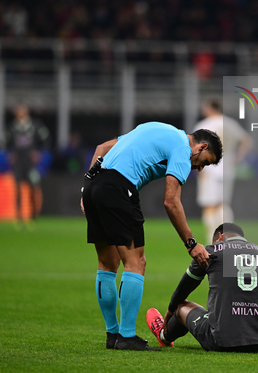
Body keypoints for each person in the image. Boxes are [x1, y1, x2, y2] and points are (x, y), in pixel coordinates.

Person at [81, 122, 223, 351]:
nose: (199, 168)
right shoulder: (182, 148)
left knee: (107, 264)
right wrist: (191, 244)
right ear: (201, 147)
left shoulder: (156, 129)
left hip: (95, 186)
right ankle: (126, 336)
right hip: (119, 188)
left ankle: (112, 335)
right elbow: (171, 201)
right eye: (204, 162)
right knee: (136, 262)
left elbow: (101, 148)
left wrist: (86, 187)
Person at [146, 222, 258, 353]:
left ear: (220, 236)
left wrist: (171, 310)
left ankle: (164, 335)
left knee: (181, 306)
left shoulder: (211, 251)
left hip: (221, 341)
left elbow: (182, 290)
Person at [193, 99, 252, 244]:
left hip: (210, 168)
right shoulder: (230, 123)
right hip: (228, 169)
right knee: (223, 203)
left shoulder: (204, 125)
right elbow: (246, 141)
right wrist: (236, 159)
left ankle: (211, 240)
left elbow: (195, 149)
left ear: (209, 108)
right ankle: (229, 237)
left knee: (209, 205)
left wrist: (197, 166)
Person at [7, 104, 50, 224]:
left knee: (33, 187)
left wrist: (39, 153)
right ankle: (18, 215)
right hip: (18, 163)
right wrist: (10, 154)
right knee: (17, 188)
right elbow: (6, 142)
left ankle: (33, 214)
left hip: (30, 163)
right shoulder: (12, 127)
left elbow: (45, 138)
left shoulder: (35, 125)